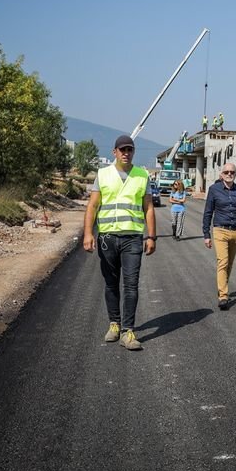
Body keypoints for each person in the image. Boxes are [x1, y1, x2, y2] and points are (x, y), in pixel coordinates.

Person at [82, 135, 156, 350]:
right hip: (107, 238)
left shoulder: (142, 175)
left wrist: (151, 236)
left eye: (129, 149)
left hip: (132, 238)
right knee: (111, 283)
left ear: (133, 152)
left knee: (131, 285)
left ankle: (128, 331)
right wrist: (88, 233)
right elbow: (93, 206)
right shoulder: (103, 174)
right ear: (114, 152)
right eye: (122, 149)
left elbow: (148, 207)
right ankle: (114, 324)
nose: (126, 153)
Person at [203, 162, 236, 309]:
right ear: (222, 174)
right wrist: (206, 234)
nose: (229, 174)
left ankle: (222, 285)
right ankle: (223, 295)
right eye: (226, 172)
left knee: (229, 264)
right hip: (220, 230)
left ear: (235, 174)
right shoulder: (214, 190)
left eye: (232, 172)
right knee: (223, 262)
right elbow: (208, 212)